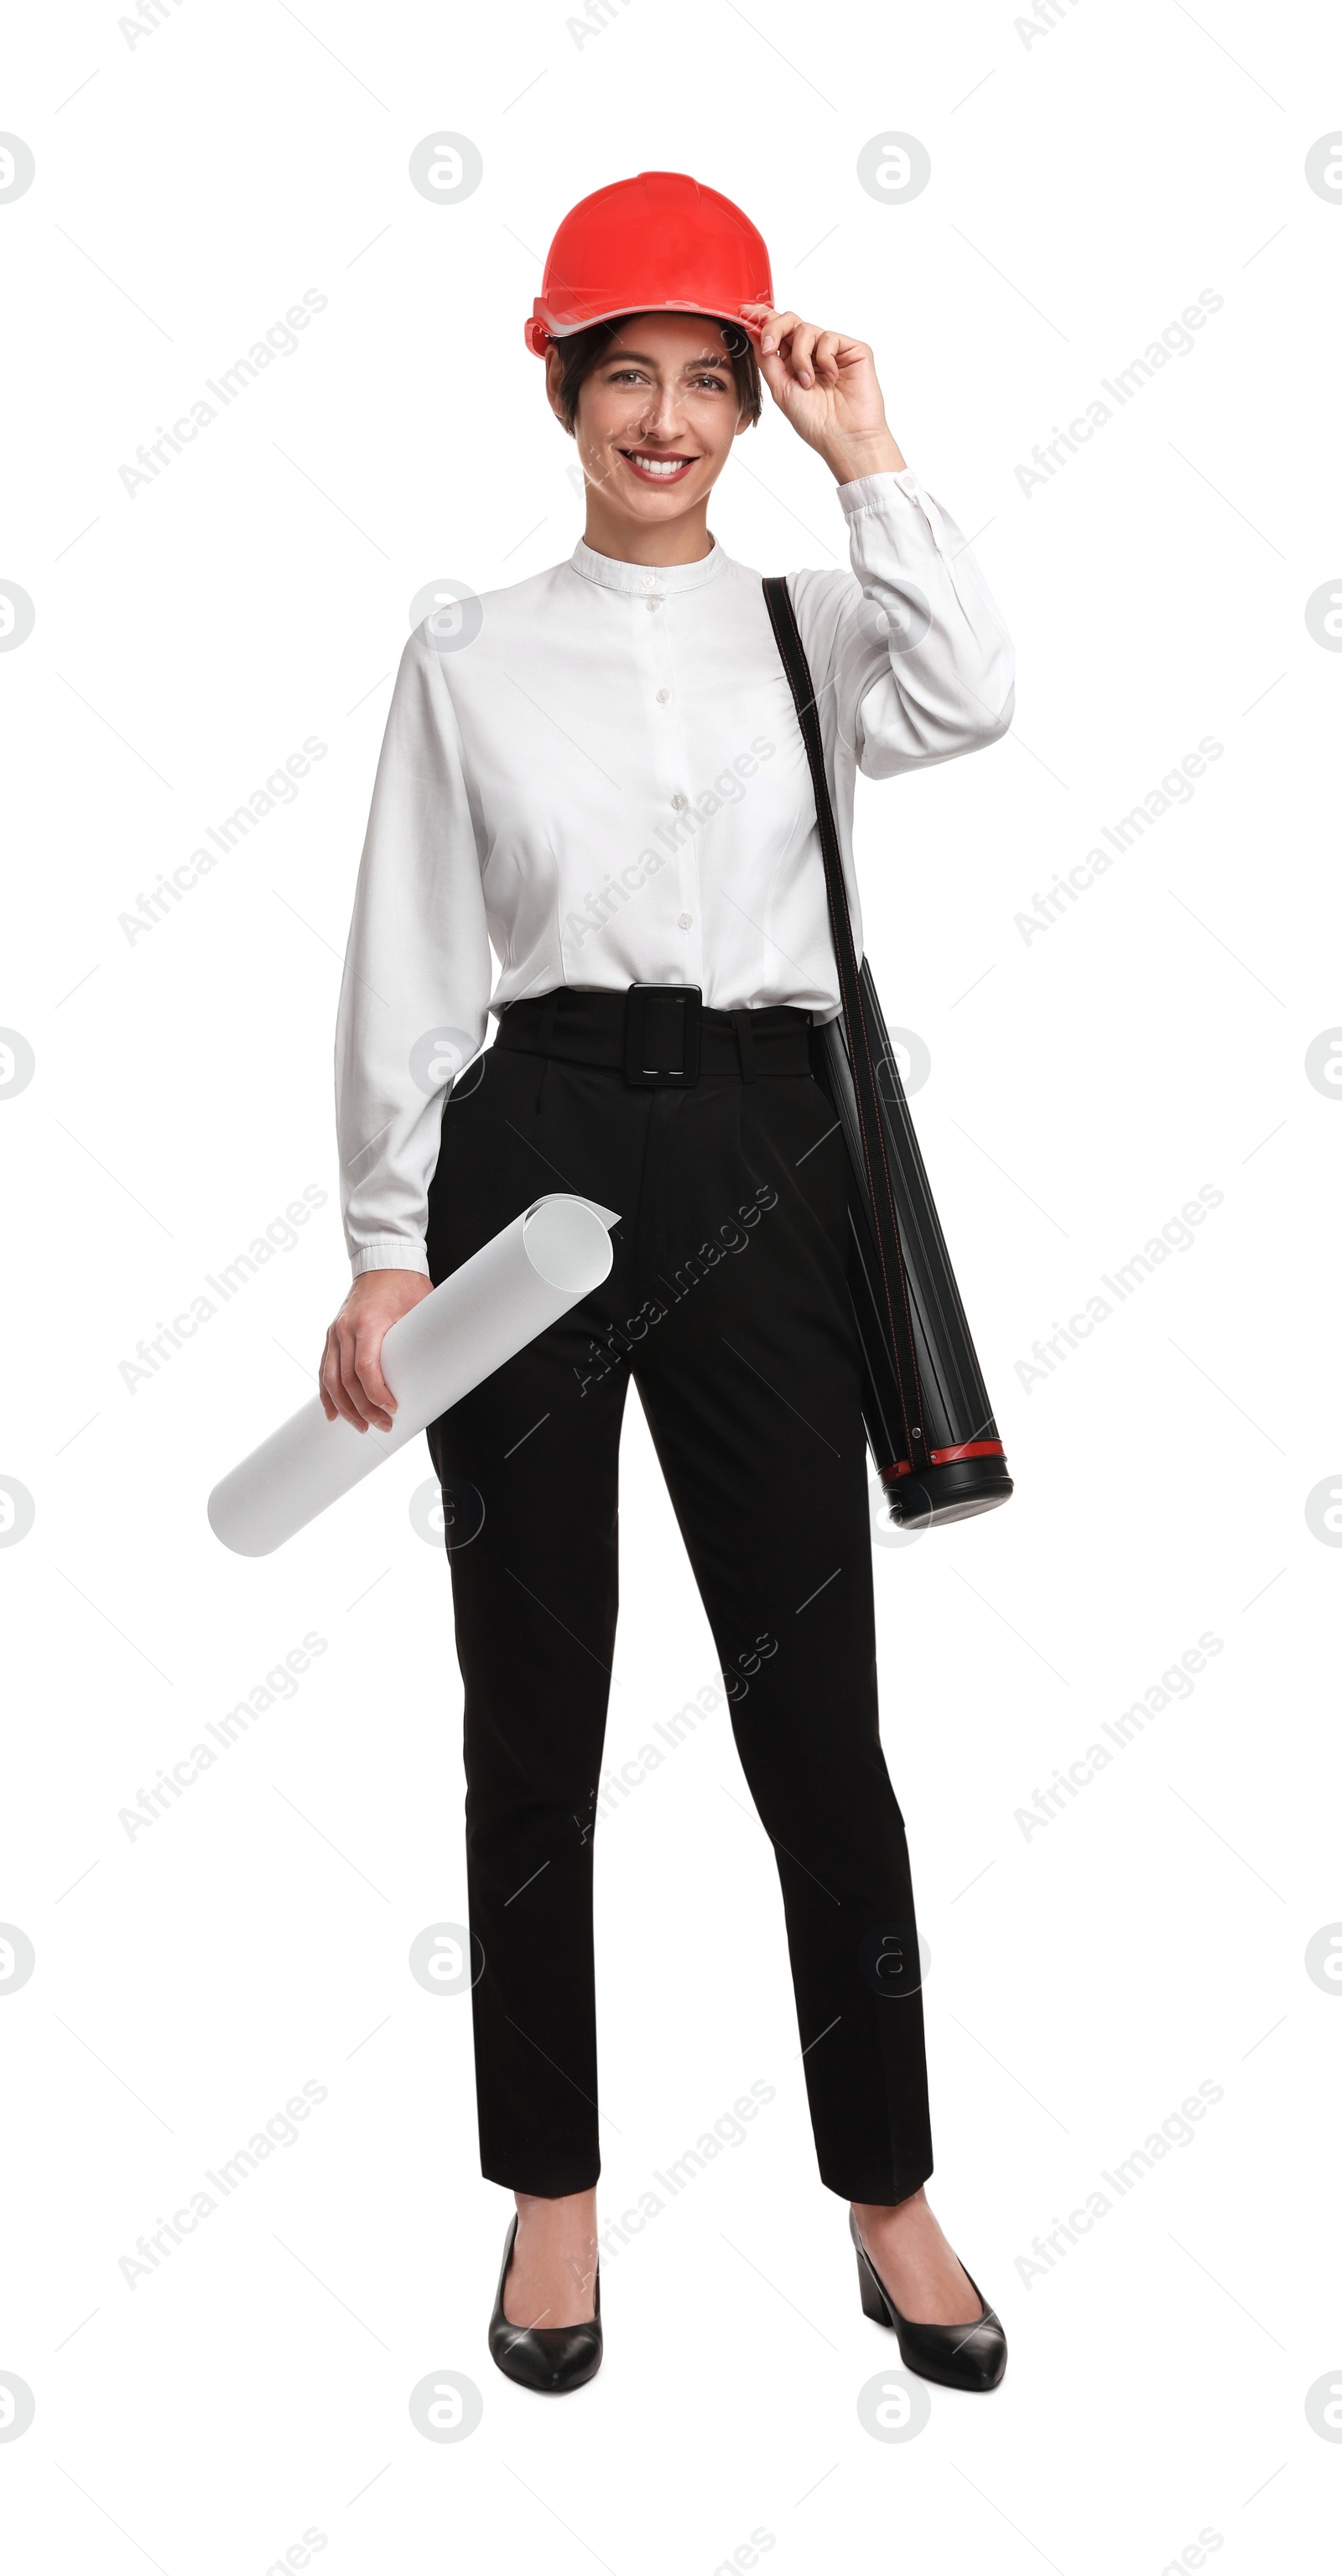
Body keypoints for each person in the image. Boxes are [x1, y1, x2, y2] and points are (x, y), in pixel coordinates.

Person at [322, 171, 1014, 2395]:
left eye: (705, 381)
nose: (665, 416)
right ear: (564, 389)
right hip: (528, 1151)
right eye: (624, 373)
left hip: (763, 1159)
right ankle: (554, 2199)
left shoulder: (818, 628)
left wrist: (874, 449)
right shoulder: (468, 647)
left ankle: (888, 2191)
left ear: (744, 404)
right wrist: (378, 1248)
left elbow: (983, 694)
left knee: (819, 1722)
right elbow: (415, 947)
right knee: (532, 1710)